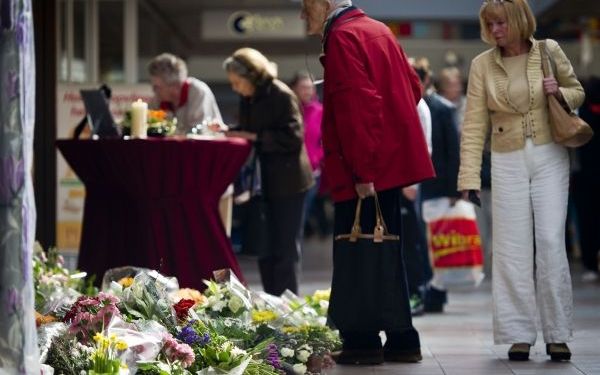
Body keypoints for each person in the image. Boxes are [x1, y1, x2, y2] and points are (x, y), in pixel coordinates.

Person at [301, 0, 435, 365]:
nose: (302, 14)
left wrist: (363, 171)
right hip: (386, 164)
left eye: (304, 5)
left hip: (363, 168)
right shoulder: (378, 30)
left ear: (324, 3)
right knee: (385, 250)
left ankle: (362, 341)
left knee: (357, 251)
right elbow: (413, 88)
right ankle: (402, 340)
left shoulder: (343, 36)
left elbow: (355, 107)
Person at [457, 0, 585, 362]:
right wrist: (467, 177)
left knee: (549, 240)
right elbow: (473, 125)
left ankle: (558, 333)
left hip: (549, 155)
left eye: (501, 23)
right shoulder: (481, 64)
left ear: (518, 21)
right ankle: (518, 334)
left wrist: (558, 91)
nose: (495, 30)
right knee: (511, 248)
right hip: (505, 158)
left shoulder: (548, 50)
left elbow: (577, 91)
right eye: (490, 24)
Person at [220, 48, 314, 296]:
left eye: (238, 82)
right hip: (264, 181)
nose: (236, 88)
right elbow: (251, 128)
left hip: (289, 182)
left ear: (252, 75)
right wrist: (229, 130)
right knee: (265, 246)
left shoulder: (281, 93)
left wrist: (250, 135)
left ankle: (288, 306)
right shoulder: (249, 97)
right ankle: (272, 303)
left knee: (284, 248)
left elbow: (293, 137)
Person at [416, 58, 462, 314]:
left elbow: (452, 150)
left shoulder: (442, 108)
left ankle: (437, 294)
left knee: (438, 240)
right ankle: (427, 290)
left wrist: (455, 189)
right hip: (423, 184)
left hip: (440, 184)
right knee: (424, 241)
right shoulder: (417, 104)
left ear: (426, 81)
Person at [289, 71, 329, 238]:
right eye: (303, 87)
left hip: (312, 172)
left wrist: (317, 158)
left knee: (300, 218)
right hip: (288, 171)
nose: (307, 91)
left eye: (310, 88)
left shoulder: (321, 112)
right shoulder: (288, 111)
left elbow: (326, 141)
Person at [148, 53, 222, 135]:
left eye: (157, 87)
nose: (154, 91)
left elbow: (199, 133)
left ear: (174, 86)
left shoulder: (198, 92)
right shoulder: (158, 99)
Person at [574, 76, 600, 282]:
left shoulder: (579, 116)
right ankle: (591, 262)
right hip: (584, 179)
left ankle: (590, 264)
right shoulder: (579, 115)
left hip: (583, 179)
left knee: (587, 223)